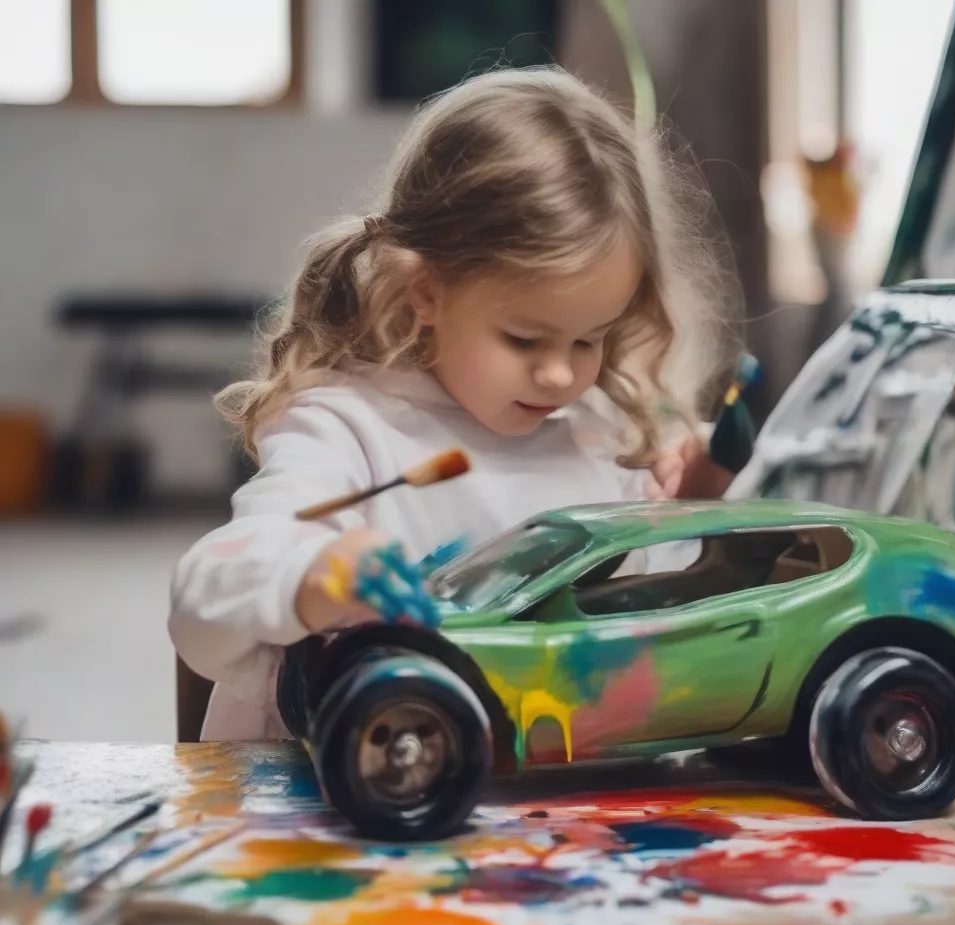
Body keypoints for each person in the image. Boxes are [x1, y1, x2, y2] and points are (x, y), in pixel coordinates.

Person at [169, 66, 742, 741]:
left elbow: (680, 631)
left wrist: (708, 498)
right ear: (425, 292)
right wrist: (310, 578)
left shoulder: (605, 437)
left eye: (591, 338)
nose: (561, 375)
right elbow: (202, 605)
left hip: (545, 811)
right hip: (338, 804)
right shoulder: (345, 432)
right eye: (524, 338)